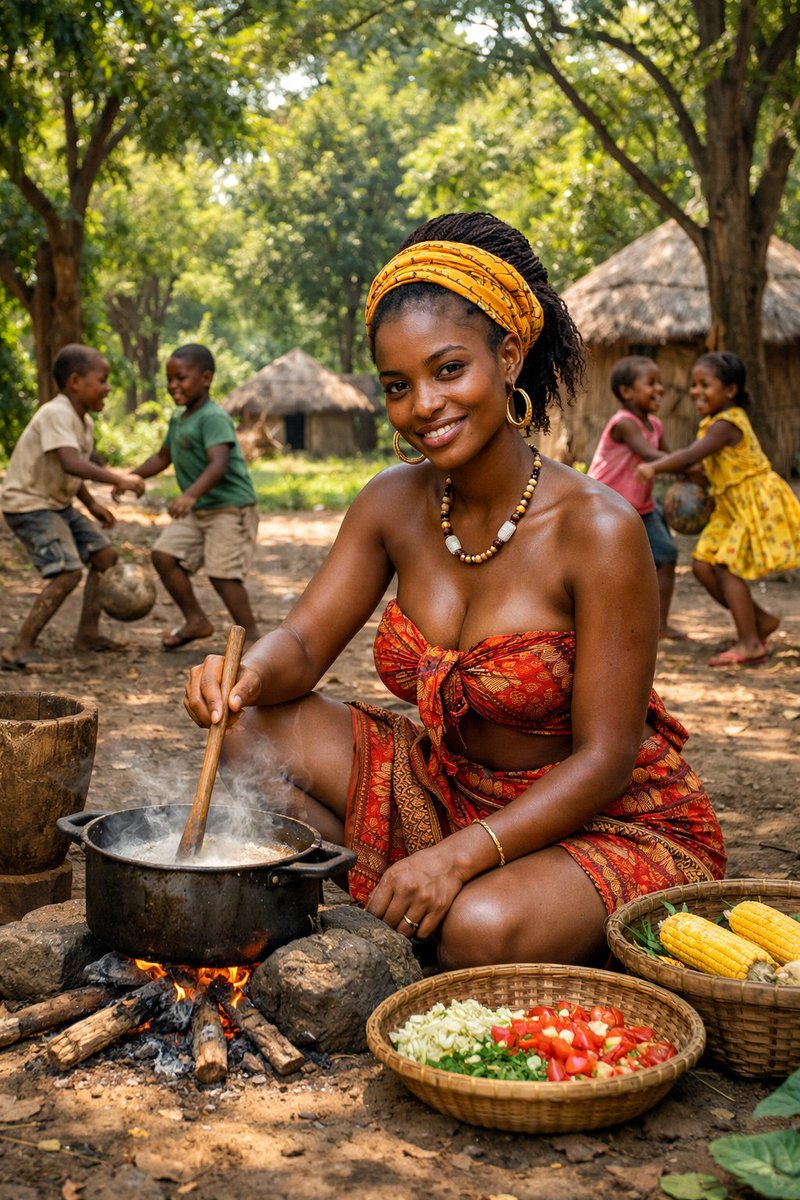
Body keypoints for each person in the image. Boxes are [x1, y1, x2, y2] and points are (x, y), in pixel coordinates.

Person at [184, 212, 725, 970]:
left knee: (472, 930)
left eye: (448, 370)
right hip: (445, 789)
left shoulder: (598, 530)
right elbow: (304, 644)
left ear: (508, 356)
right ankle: (407, 887)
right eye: (398, 386)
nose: (424, 407)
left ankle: (421, 889)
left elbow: (605, 759)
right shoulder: (391, 503)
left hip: (597, 817)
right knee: (241, 732)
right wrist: (243, 677)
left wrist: (460, 857)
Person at [636, 350, 800, 667]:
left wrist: (653, 468)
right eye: (693, 385)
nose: (696, 391)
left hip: (752, 502)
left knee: (726, 568)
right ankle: (760, 621)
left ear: (730, 390)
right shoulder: (713, 424)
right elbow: (702, 464)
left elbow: (687, 457)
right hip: (729, 506)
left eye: (705, 384)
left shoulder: (726, 423)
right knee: (702, 565)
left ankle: (750, 642)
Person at [0, 343, 145, 669]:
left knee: (105, 557)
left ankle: (88, 634)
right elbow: (69, 462)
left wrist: (91, 504)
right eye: (102, 379)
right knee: (67, 572)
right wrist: (117, 479)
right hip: (28, 504)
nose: (108, 387)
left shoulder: (84, 422)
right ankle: (19, 647)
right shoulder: (56, 413)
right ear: (76, 382)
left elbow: (72, 466)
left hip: (55, 503)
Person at [128, 343, 260, 649]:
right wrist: (131, 477)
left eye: (181, 378)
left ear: (206, 378)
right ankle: (196, 621)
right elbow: (162, 458)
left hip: (230, 508)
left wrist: (188, 496)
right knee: (164, 556)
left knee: (223, 575)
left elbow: (219, 463)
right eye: (169, 379)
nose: (174, 386)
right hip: (200, 508)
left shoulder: (213, 417)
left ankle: (253, 637)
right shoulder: (179, 418)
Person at [587, 356, 683, 638]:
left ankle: (660, 625)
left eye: (661, 383)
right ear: (627, 392)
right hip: (605, 507)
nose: (660, 389)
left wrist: (687, 468)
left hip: (641, 508)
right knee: (603, 566)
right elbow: (654, 457)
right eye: (651, 383)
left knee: (666, 556)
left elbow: (669, 459)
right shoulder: (624, 423)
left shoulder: (656, 424)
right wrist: (694, 464)